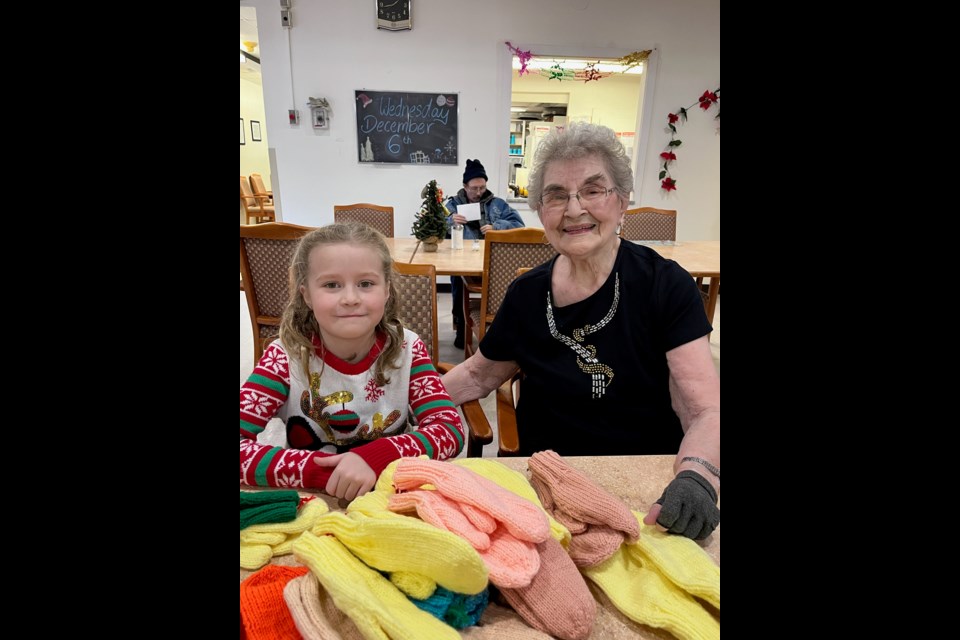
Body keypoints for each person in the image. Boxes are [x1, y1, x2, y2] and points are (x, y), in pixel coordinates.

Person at [441, 124, 720, 540]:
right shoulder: (526, 293)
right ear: (540, 210)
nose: (574, 210)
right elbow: (479, 375)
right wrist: (401, 406)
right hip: (549, 483)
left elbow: (705, 410)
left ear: (622, 202)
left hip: (646, 481)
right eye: (556, 195)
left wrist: (698, 477)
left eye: (593, 190)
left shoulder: (665, 284)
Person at [240, 222, 465, 501]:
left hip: (394, 501)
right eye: (331, 285)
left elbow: (449, 429)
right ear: (306, 294)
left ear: (386, 291)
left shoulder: (409, 349)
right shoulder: (284, 357)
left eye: (366, 284)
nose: (350, 298)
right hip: (313, 503)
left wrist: (376, 457)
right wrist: (323, 474)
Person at [445, 159, 525, 349]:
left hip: (492, 260)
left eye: (482, 187)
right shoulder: (452, 204)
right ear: (465, 186)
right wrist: (449, 220)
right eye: (474, 188)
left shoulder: (497, 204)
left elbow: (519, 225)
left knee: (502, 282)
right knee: (458, 280)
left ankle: (496, 322)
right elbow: (433, 226)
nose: (478, 192)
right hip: (462, 259)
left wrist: (497, 227)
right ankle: (462, 325)